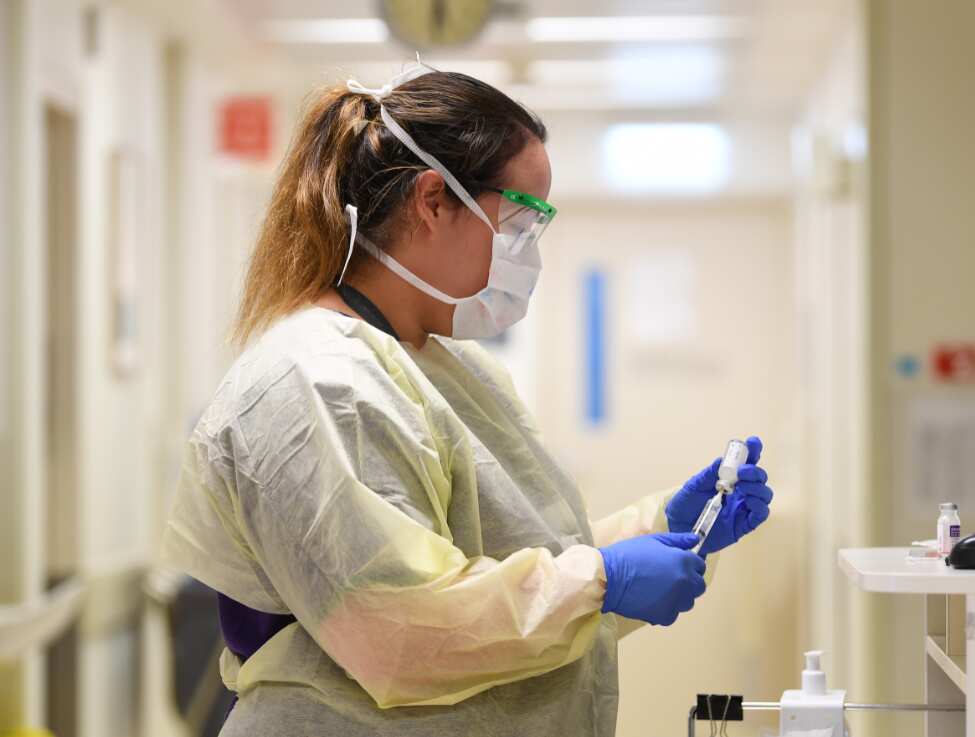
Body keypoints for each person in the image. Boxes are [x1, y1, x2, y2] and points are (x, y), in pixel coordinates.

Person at [161, 59, 774, 737]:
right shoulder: (321, 382)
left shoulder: (439, 365)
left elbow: (501, 568)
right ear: (432, 200)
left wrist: (660, 527)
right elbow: (404, 631)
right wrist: (601, 578)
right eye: (520, 220)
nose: (527, 252)